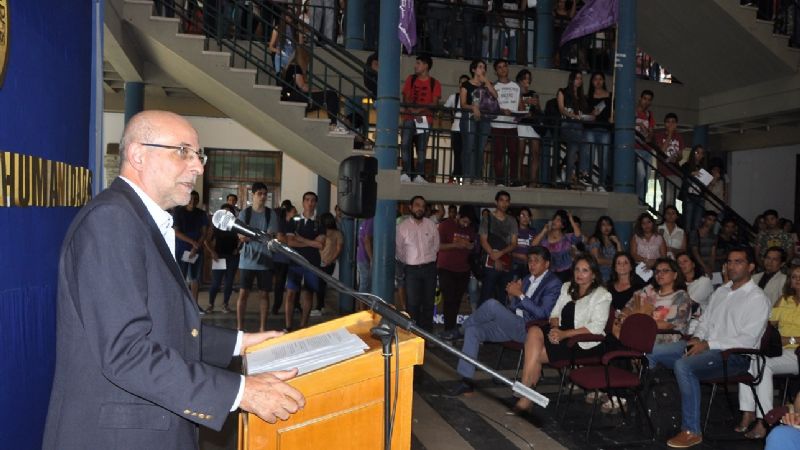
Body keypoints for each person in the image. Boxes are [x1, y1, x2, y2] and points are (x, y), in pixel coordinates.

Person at [43, 111, 304, 450]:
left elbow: (163, 326)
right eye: (183, 152)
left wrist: (241, 343)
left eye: (198, 155)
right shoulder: (111, 220)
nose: (198, 167)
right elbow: (126, 351)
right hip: (117, 438)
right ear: (138, 155)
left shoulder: (138, 218)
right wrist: (240, 391)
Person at [647, 247, 771, 448]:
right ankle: (655, 410)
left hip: (735, 357)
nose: (731, 266)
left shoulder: (757, 298)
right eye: (729, 261)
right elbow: (704, 321)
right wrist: (697, 337)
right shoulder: (722, 291)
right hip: (706, 347)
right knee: (652, 351)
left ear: (751, 267)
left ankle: (691, 430)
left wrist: (708, 344)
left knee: (683, 366)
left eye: (738, 262)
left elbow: (747, 340)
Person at [449, 246, 563, 396]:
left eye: (536, 261)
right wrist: (511, 297)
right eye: (530, 261)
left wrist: (520, 295)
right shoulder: (527, 279)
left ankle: (459, 331)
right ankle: (466, 381)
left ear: (547, 264)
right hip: (513, 324)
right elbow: (514, 307)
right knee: (473, 331)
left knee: (492, 305)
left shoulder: (553, 283)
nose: (532, 264)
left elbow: (543, 313)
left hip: (530, 331)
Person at [512, 254, 612, 413]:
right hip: (560, 332)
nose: (579, 274)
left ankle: (525, 395)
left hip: (582, 342)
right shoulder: (567, 287)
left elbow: (596, 328)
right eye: (577, 269)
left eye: (585, 270)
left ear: (593, 274)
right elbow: (554, 313)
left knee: (535, 354)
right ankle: (526, 393)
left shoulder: (602, 295)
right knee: (534, 330)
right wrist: (554, 329)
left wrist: (564, 334)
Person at [737, 265, 800, 439]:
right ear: (790, 281)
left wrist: (790, 340)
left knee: (762, 364)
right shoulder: (784, 300)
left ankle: (763, 421)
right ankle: (749, 411)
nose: (797, 279)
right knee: (751, 360)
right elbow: (768, 324)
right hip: (780, 350)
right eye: (794, 276)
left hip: (797, 353)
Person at [237, 182, 281, 332]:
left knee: (264, 295)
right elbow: (241, 236)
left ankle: (262, 328)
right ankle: (240, 328)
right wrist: (259, 236)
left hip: (265, 259)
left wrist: (252, 235)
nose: (263, 197)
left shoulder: (271, 214)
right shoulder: (245, 213)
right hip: (247, 260)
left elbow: (269, 236)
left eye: (265, 194)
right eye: (259, 194)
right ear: (253, 195)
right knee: (243, 294)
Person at [616, 258, 691, 344]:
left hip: (666, 339)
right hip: (638, 332)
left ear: (675, 275)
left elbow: (667, 325)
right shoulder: (649, 290)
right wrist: (622, 317)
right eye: (657, 271)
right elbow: (629, 306)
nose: (660, 274)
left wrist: (636, 323)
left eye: (665, 271)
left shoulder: (681, 296)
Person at [396, 196, 440, 331]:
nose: (420, 208)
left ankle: (427, 335)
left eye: (422, 206)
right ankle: (414, 334)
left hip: (429, 269)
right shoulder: (402, 227)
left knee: (428, 304)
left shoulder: (431, 225)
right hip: (412, 271)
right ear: (410, 207)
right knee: (413, 304)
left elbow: (436, 246)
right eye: (417, 205)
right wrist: (410, 261)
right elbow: (399, 250)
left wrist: (427, 258)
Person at [280, 46, 347, 134]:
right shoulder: (295, 67)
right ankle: (333, 124)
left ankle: (334, 123)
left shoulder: (290, 67)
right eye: (307, 59)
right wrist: (320, 91)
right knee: (331, 95)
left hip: (294, 97)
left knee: (328, 96)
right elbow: (302, 86)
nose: (307, 62)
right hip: (297, 97)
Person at [284, 192, 326, 330]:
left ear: (316, 203)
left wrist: (301, 239)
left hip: (312, 263)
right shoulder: (294, 220)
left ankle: (303, 326)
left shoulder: (320, 222)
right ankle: (288, 326)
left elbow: (320, 245)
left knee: (308, 293)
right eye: (307, 200)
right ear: (303, 202)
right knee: (291, 293)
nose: (310, 203)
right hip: (295, 261)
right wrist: (311, 243)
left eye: (313, 200)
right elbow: (290, 242)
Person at [399, 55, 442, 183]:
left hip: (424, 119)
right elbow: (405, 97)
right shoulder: (411, 79)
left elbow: (434, 103)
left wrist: (419, 110)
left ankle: (419, 175)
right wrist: (412, 109)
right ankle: (406, 173)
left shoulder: (434, 83)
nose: (415, 66)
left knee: (421, 148)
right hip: (409, 116)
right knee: (405, 144)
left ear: (426, 66)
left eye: (418, 63)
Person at [436, 206, 477, 340]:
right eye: (464, 221)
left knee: (457, 300)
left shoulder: (470, 229)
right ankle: (448, 330)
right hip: (446, 269)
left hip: (463, 270)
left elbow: (473, 246)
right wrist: (455, 245)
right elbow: (438, 246)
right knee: (449, 300)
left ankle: (452, 330)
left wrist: (470, 246)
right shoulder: (445, 225)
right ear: (458, 216)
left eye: (468, 223)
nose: (465, 225)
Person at [460, 59, 497, 185]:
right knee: (469, 146)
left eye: (484, 67)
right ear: (473, 69)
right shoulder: (466, 85)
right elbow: (463, 104)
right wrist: (473, 107)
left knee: (480, 148)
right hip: (470, 117)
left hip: (485, 118)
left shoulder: (487, 84)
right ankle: (467, 176)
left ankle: (477, 177)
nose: (483, 69)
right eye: (480, 67)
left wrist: (486, 82)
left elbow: (495, 96)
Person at [479, 191, 518, 305]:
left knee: (503, 298)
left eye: (507, 201)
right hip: (490, 262)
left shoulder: (512, 220)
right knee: (486, 296)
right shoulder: (487, 218)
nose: (504, 203)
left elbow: (514, 243)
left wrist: (500, 254)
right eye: (501, 200)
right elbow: (483, 240)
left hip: (507, 263)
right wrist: (494, 257)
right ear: (496, 202)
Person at [173, 190, 208, 308]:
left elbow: (204, 232)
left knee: (195, 278)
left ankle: (194, 305)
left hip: (197, 250)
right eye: (190, 199)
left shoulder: (201, 213)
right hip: (182, 249)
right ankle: (180, 305)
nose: (193, 201)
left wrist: (196, 246)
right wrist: (193, 243)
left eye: (195, 199)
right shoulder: (178, 212)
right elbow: (176, 232)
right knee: (181, 277)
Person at [557, 71, 592, 187]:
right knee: (583, 141)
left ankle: (568, 180)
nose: (579, 80)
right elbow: (561, 109)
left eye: (581, 78)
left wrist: (591, 116)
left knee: (573, 148)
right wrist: (573, 116)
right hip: (566, 125)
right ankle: (583, 172)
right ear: (571, 79)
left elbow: (584, 115)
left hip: (578, 128)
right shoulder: (562, 91)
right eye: (577, 78)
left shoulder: (582, 97)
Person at [204, 203, 239, 313]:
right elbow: (206, 241)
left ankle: (225, 304)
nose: (226, 214)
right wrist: (212, 252)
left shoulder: (236, 226)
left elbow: (241, 239)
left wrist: (238, 248)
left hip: (232, 257)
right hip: (219, 257)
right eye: (224, 212)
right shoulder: (216, 226)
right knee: (216, 283)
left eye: (229, 212)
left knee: (229, 283)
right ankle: (210, 304)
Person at [490, 59, 521, 186]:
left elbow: (519, 104)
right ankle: (499, 181)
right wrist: (502, 111)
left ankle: (514, 180)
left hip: (512, 124)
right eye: (500, 67)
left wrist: (521, 113)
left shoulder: (516, 86)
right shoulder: (493, 86)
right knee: (499, 154)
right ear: (496, 71)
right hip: (498, 124)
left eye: (505, 66)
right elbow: (490, 107)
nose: (503, 69)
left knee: (514, 154)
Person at [532, 209, 583, 281]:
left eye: (558, 220)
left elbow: (578, 236)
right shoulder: (545, 238)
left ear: (562, 225)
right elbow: (533, 245)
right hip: (548, 272)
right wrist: (544, 230)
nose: (554, 221)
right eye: (554, 219)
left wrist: (571, 219)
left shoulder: (567, 238)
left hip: (566, 273)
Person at [585, 72, 613, 189]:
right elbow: (584, 116)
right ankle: (588, 181)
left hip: (605, 129)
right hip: (590, 129)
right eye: (595, 79)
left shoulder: (610, 96)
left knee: (604, 158)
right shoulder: (588, 97)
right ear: (592, 82)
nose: (598, 81)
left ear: (604, 81)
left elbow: (614, 112)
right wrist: (592, 114)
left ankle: (602, 183)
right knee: (589, 156)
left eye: (600, 79)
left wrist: (613, 118)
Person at [515, 69, 543, 187]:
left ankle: (533, 181)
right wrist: (525, 101)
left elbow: (539, 110)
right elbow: (515, 107)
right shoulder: (516, 93)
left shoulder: (533, 93)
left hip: (533, 124)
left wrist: (536, 104)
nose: (527, 81)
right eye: (525, 78)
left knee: (535, 153)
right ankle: (518, 179)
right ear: (520, 80)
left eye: (528, 78)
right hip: (521, 123)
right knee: (520, 153)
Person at [312, 212, 342, 316]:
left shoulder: (337, 233)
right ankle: (320, 306)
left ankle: (319, 307)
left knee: (321, 285)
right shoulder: (320, 232)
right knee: (319, 284)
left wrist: (331, 260)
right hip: (318, 261)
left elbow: (339, 249)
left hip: (328, 263)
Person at [443, 74, 471, 183]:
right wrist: (451, 114)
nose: (463, 84)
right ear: (459, 84)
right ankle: (457, 176)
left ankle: (460, 176)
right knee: (458, 153)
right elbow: (444, 108)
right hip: (456, 128)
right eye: (461, 82)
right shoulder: (453, 97)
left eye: (465, 82)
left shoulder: (472, 97)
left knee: (465, 153)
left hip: (468, 129)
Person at [654, 113, 685, 211]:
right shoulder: (659, 136)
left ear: (676, 124)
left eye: (673, 122)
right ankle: (661, 217)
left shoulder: (679, 137)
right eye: (668, 122)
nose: (670, 124)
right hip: (663, 172)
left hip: (676, 172)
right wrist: (670, 135)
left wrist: (677, 157)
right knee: (667, 198)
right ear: (665, 124)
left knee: (672, 200)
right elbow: (661, 151)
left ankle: (668, 218)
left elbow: (681, 156)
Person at [587, 215, 624, 283]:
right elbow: (595, 260)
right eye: (603, 225)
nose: (606, 227)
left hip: (614, 273)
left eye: (609, 225)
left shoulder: (613, 239)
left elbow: (620, 257)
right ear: (599, 227)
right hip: (601, 274)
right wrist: (613, 262)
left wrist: (618, 243)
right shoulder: (594, 239)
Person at [679, 145, 707, 233]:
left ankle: (693, 240)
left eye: (702, 153)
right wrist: (692, 174)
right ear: (693, 153)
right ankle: (687, 240)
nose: (699, 155)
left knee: (696, 224)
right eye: (697, 152)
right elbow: (682, 174)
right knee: (687, 223)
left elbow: (706, 184)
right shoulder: (686, 165)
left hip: (700, 197)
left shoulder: (704, 168)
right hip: (689, 196)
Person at [635, 90, 656, 202]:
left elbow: (651, 132)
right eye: (644, 99)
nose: (646, 102)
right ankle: (635, 196)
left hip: (647, 150)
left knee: (647, 177)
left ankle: (641, 200)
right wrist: (639, 124)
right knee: (641, 174)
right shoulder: (633, 112)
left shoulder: (649, 115)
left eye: (649, 100)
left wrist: (648, 134)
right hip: (635, 148)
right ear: (640, 99)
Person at [512, 207, 537, 280]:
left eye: (528, 216)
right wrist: (521, 256)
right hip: (515, 264)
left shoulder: (533, 231)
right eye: (522, 215)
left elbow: (536, 248)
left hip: (529, 265)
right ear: (518, 217)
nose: (525, 218)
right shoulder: (513, 230)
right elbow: (508, 249)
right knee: (514, 284)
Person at [357, 217, 374, 292]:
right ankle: (362, 300)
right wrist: (371, 259)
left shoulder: (365, 221)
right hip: (366, 258)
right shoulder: (371, 220)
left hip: (362, 257)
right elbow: (367, 240)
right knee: (366, 285)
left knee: (365, 284)